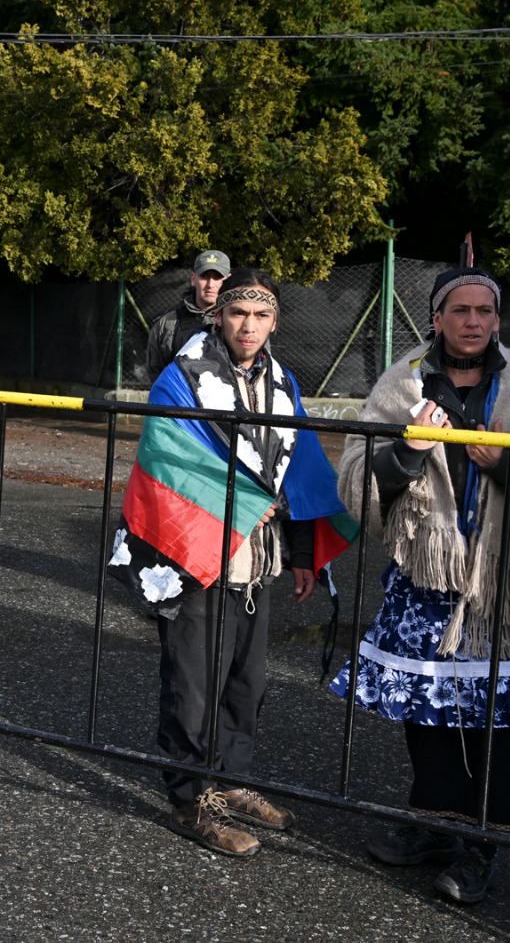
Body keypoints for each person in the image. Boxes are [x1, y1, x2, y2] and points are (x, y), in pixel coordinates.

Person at [331, 267, 510, 905]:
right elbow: (353, 472)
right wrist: (407, 452)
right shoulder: (402, 381)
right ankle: (433, 825)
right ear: (437, 317)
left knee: (497, 719)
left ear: (497, 319)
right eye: (460, 310)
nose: (473, 321)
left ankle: (483, 845)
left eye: (484, 310)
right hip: (425, 573)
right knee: (425, 710)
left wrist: (508, 464)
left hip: (501, 580)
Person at [110, 267, 350, 858]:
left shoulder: (282, 381)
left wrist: (299, 552)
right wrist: (244, 503)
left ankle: (233, 781)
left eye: (262, 315)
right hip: (199, 554)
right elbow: (170, 460)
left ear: (274, 322)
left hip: (258, 559)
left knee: (246, 681)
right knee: (194, 682)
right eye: (239, 313)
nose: (249, 325)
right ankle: (192, 800)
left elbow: (302, 466)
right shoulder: (181, 378)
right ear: (219, 315)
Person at [145, 249, 230, 385]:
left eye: (217, 277)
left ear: (228, 281)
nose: (210, 284)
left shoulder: (239, 322)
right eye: (204, 276)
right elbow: (156, 374)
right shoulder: (168, 324)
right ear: (193, 279)